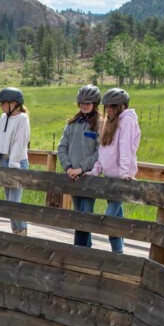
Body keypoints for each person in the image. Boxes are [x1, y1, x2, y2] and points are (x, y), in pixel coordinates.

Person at [85, 88, 140, 252]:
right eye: (107, 106)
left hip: (120, 179)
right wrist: (96, 169)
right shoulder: (109, 121)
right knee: (116, 220)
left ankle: (118, 254)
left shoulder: (127, 121)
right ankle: (119, 254)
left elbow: (126, 147)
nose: (108, 109)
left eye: (112, 106)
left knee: (107, 220)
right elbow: (103, 150)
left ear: (122, 106)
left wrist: (125, 172)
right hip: (109, 177)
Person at [58, 85, 102, 246]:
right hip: (73, 177)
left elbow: (100, 152)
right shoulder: (72, 123)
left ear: (95, 104)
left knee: (86, 214)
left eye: (88, 103)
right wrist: (68, 167)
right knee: (78, 214)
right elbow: (62, 147)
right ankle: (84, 249)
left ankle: (81, 249)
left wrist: (82, 168)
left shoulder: (100, 123)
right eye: (81, 103)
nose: (84, 106)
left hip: (89, 177)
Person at [0, 87, 31, 235]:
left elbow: (20, 143)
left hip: (18, 164)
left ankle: (22, 232)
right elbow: (0, 139)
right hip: (5, 162)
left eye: (3, 103)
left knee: (14, 203)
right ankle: (15, 231)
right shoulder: (3, 118)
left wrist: (13, 166)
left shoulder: (22, 119)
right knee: (8, 204)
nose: (1, 105)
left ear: (14, 104)